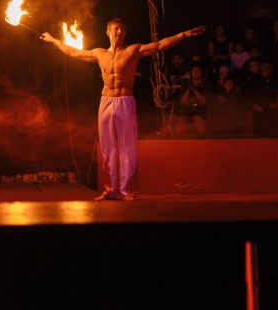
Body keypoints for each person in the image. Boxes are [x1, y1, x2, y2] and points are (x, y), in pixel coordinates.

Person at [41, 19, 205, 201]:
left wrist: (183, 35)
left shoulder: (132, 50)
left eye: (122, 29)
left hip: (125, 101)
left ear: (125, 34)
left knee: (127, 146)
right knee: (107, 147)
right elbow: (74, 53)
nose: (119, 32)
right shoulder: (99, 53)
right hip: (106, 101)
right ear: (108, 32)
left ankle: (128, 190)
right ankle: (109, 190)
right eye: (116, 29)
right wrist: (53, 40)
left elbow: (159, 45)